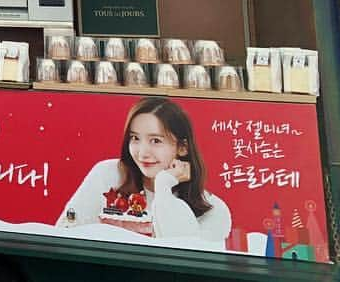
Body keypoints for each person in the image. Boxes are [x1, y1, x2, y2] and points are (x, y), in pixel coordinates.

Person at [57, 96, 231, 242]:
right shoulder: (107, 174)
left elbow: (183, 260)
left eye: (156, 140)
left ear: (182, 147)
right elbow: (65, 233)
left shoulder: (213, 210)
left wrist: (164, 186)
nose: (142, 153)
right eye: (135, 138)